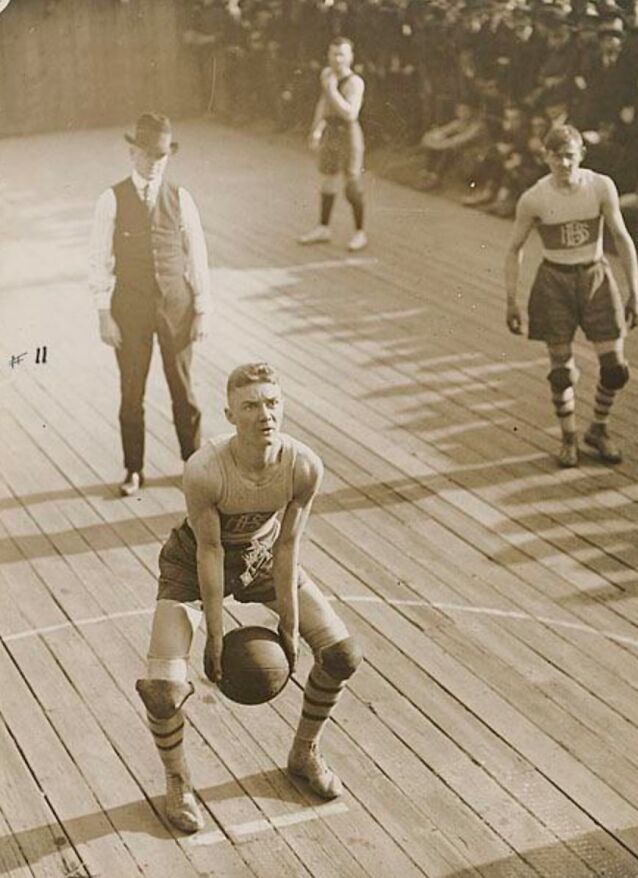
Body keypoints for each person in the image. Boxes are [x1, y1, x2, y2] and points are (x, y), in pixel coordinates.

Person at [136, 362, 362, 833]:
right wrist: (215, 638)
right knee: (162, 689)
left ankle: (304, 752)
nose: (265, 415)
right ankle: (178, 782)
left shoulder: (303, 465)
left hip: (262, 558)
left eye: (273, 403)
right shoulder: (205, 470)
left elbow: (287, 546)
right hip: (193, 564)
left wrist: (290, 626)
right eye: (251, 406)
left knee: (342, 653)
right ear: (230, 414)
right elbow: (210, 552)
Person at [504, 125, 638, 469]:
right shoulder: (534, 198)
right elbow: (514, 249)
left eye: (570, 155)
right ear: (546, 158)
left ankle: (598, 428)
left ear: (581, 154)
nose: (564, 163)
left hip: (595, 277)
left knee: (615, 370)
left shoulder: (600, 186)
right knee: (561, 372)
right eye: (557, 156)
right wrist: (512, 300)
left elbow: (622, 239)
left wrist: (635, 293)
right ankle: (568, 437)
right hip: (554, 282)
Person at [89, 113, 211, 497]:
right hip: (130, 308)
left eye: (160, 156)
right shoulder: (111, 199)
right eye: (146, 155)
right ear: (132, 152)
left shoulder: (180, 197)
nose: (153, 162)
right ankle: (133, 469)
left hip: (177, 306)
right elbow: (98, 260)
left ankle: (193, 467)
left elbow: (198, 256)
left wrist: (202, 309)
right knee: (131, 391)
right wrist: (104, 314)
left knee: (184, 391)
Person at [298, 37, 368, 252]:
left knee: (351, 185)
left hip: (348, 133)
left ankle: (359, 232)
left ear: (350, 57)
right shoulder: (327, 74)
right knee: (328, 180)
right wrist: (316, 129)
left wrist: (332, 90)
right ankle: (323, 227)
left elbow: (350, 113)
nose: (337, 59)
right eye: (333, 54)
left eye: (342, 55)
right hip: (331, 131)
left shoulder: (355, 82)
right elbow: (323, 103)